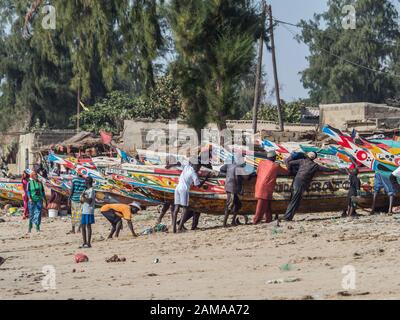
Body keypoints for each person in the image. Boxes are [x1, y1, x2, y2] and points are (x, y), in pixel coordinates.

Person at [284, 152, 335, 221]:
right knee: (295, 200)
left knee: (295, 200)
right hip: (301, 183)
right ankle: (287, 217)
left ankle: (288, 217)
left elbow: (288, 162)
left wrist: (290, 171)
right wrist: (336, 170)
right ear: (314, 158)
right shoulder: (315, 165)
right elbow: (326, 169)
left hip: (297, 181)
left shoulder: (302, 161)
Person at [172, 159, 209, 233]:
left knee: (176, 208)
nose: (199, 169)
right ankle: (179, 228)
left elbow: (180, 163)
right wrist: (206, 178)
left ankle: (174, 229)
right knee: (185, 209)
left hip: (177, 188)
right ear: (197, 167)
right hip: (184, 189)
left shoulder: (186, 167)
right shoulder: (193, 173)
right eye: (199, 167)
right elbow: (198, 185)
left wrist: (171, 165)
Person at [253, 151, 288, 224]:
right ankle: (256, 220)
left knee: (267, 203)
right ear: (274, 158)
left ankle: (268, 219)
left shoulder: (261, 163)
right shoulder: (275, 165)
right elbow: (286, 172)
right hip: (266, 187)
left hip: (259, 185)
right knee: (261, 205)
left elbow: (257, 172)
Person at [219, 155, 248, 227]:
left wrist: (228, 174)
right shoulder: (240, 168)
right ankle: (224, 224)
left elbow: (221, 169)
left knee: (238, 205)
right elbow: (247, 178)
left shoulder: (229, 164)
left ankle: (232, 222)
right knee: (229, 206)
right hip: (232, 189)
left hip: (228, 187)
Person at [80, 177, 96, 248]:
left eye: (85, 182)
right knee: (83, 226)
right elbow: (82, 200)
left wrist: (83, 197)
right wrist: (82, 198)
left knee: (88, 226)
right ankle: (84, 242)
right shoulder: (85, 190)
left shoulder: (92, 190)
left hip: (89, 210)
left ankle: (88, 243)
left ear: (87, 182)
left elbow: (89, 201)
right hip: (84, 209)